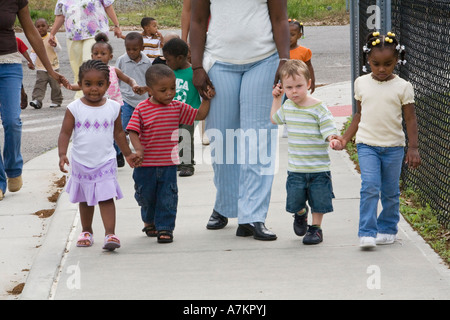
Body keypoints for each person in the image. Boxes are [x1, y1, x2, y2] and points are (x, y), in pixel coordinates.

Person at [190, 0, 290, 240]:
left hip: (264, 61)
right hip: (218, 62)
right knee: (222, 139)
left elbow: (279, 18)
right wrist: (196, 66)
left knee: (259, 138)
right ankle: (226, 205)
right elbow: (198, 20)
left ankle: (253, 216)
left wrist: (284, 60)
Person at [331, 31, 421, 249]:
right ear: (367, 61)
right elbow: (358, 115)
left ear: (397, 61)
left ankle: (388, 229)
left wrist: (414, 148)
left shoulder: (403, 87)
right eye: (376, 63)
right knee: (370, 186)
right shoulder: (361, 83)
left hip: (393, 148)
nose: (381, 69)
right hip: (367, 145)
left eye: (388, 64)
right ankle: (367, 232)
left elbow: (410, 118)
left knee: (390, 191)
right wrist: (344, 139)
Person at [58, 60, 141, 251]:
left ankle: (110, 234)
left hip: (106, 160)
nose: (94, 89)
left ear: (108, 84)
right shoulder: (74, 108)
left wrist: (128, 154)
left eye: (99, 84)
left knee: (105, 197)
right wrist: (62, 154)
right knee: (86, 199)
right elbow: (65, 133)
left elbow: (119, 133)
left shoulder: (113, 107)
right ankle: (86, 230)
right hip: (81, 161)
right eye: (88, 84)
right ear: (80, 83)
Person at [126, 64, 212, 243]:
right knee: (146, 196)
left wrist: (206, 99)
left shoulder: (177, 107)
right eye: (163, 90)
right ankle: (149, 221)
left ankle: (165, 228)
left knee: (168, 196)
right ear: (149, 90)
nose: (169, 93)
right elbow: (132, 130)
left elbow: (200, 115)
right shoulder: (142, 109)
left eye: (172, 88)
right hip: (145, 165)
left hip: (169, 164)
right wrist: (138, 149)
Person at [0, 0, 69, 201]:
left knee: (12, 122)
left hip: (9, 64)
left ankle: (13, 168)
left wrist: (49, 69)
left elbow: (31, 33)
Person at [271, 60, 337, 245]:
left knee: (319, 200)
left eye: (299, 86)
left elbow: (327, 128)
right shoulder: (288, 107)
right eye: (289, 87)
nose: (294, 91)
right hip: (296, 168)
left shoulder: (318, 107)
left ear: (308, 84)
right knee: (295, 200)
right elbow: (275, 119)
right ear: (282, 88)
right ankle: (300, 213)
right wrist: (276, 99)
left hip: (318, 167)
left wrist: (331, 138)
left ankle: (316, 228)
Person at [67, 33, 147, 167]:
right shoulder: (90, 72)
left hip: (116, 107)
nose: (99, 56)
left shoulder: (114, 71)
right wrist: (69, 86)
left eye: (103, 53)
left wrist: (134, 85)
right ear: (92, 56)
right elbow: (80, 85)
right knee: (104, 132)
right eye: (96, 53)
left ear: (110, 57)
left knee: (118, 131)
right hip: (98, 107)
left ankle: (119, 154)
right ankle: (105, 154)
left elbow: (129, 79)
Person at [49, 0, 123, 100]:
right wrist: (52, 34)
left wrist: (116, 25)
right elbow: (61, 16)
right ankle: (82, 96)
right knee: (77, 69)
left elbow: (108, 6)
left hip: (95, 32)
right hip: (73, 35)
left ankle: (87, 97)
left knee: (89, 65)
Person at [163, 37, 207, 177]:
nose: (167, 62)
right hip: (171, 112)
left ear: (180, 58)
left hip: (189, 112)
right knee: (172, 138)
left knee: (185, 137)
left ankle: (187, 165)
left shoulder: (194, 73)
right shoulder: (169, 73)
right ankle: (177, 162)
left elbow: (202, 90)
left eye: (169, 59)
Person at [115, 32, 152, 140]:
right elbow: (115, 77)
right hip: (125, 98)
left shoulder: (147, 62)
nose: (131, 52)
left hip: (142, 101)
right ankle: (121, 147)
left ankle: (139, 145)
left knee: (141, 127)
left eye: (134, 49)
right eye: (128, 49)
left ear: (142, 48)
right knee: (124, 124)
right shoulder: (121, 60)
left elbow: (150, 81)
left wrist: (147, 91)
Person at [29, 18, 63, 109]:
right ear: (35, 29)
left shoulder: (52, 37)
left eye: (43, 26)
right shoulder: (35, 39)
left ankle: (56, 100)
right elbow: (33, 52)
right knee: (39, 85)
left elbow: (59, 50)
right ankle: (37, 100)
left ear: (48, 27)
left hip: (53, 67)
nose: (41, 28)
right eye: (38, 26)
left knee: (55, 85)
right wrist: (31, 62)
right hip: (41, 68)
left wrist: (55, 45)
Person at [15, 37, 35, 110]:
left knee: (17, 81)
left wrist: (30, 61)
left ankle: (23, 95)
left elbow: (24, 51)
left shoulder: (17, 40)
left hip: (14, 65)